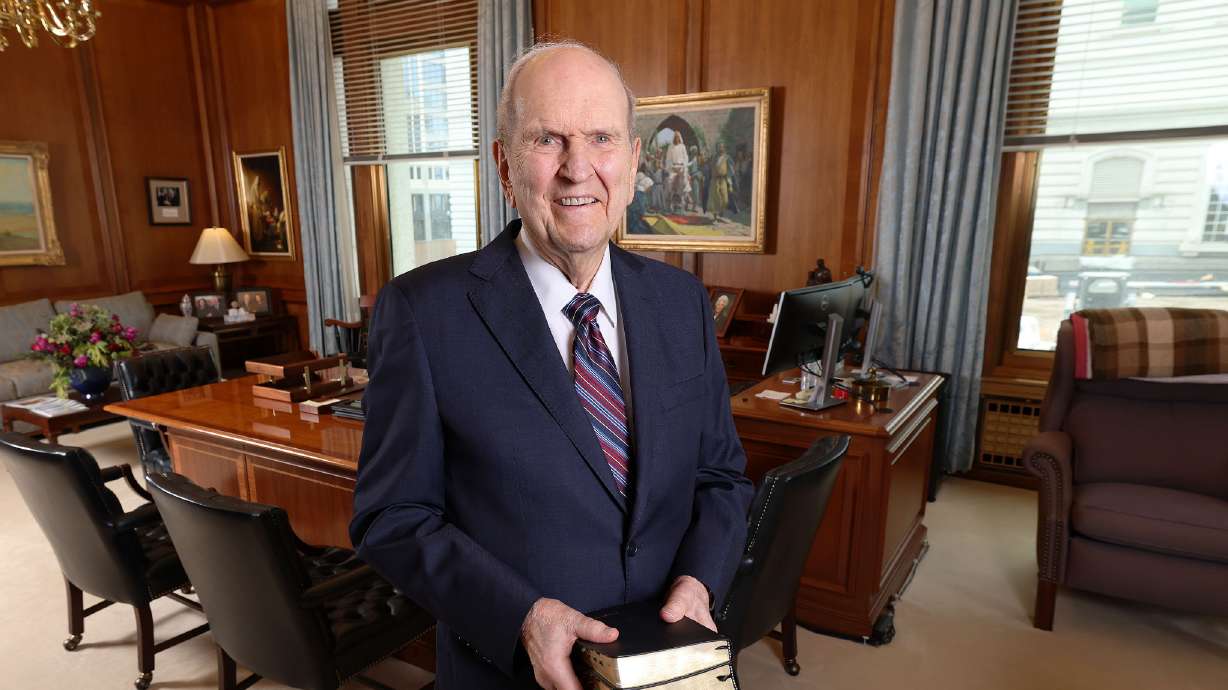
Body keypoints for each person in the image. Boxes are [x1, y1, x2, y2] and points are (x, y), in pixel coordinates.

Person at [350, 40, 753, 690]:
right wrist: (521, 618)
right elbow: (391, 518)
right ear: (504, 166)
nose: (578, 169)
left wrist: (699, 579)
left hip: (669, 665)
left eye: (601, 138)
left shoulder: (681, 302)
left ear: (633, 162)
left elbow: (720, 476)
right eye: (548, 140)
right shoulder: (423, 313)